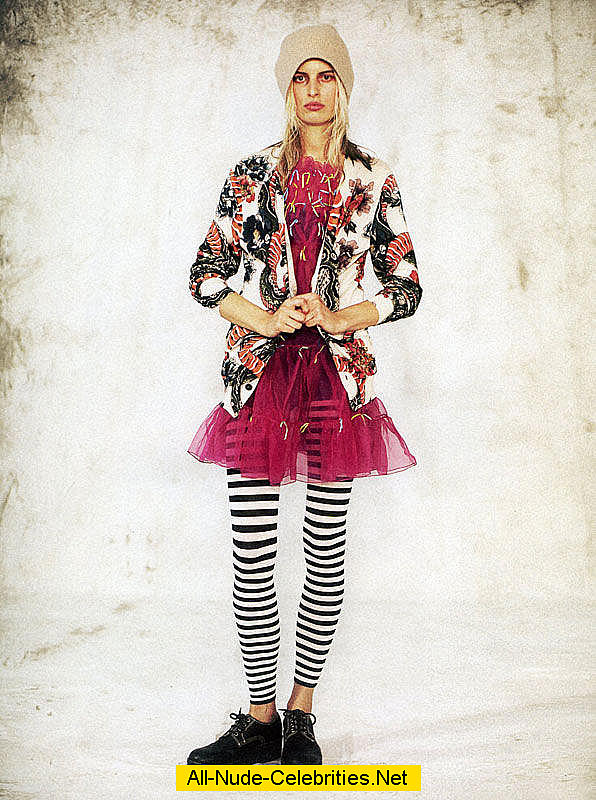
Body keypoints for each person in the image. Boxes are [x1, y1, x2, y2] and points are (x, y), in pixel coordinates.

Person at [185, 23, 422, 766]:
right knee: (252, 554)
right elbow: (204, 275)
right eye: (300, 76)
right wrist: (265, 316)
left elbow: (407, 287)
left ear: (342, 87)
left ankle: (300, 714)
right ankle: (258, 719)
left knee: (324, 550)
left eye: (326, 75)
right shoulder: (251, 175)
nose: (313, 89)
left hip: (334, 386)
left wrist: (341, 316)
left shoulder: (373, 178)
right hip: (257, 384)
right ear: (286, 89)